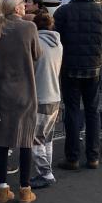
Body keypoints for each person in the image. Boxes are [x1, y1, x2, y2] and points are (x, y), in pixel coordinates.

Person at [53, 0, 102, 169]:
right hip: (93, 68)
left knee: (71, 111)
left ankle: (72, 157)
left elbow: (56, 38)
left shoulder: (63, 12)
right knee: (92, 110)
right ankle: (93, 156)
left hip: (70, 68)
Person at [0, 0, 41, 203]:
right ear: (16, 8)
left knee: (3, 141)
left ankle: (2, 189)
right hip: (26, 89)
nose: (25, 6)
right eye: (22, 3)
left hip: (2, 90)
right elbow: (37, 54)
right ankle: (25, 189)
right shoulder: (29, 28)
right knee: (25, 140)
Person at [30, 10, 63, 190]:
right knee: (47, 137)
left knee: (36, 138)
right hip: (55, 95)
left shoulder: (35, 44)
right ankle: (46, 170)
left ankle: (45, 173)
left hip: (40, 96)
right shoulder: (58, 44)